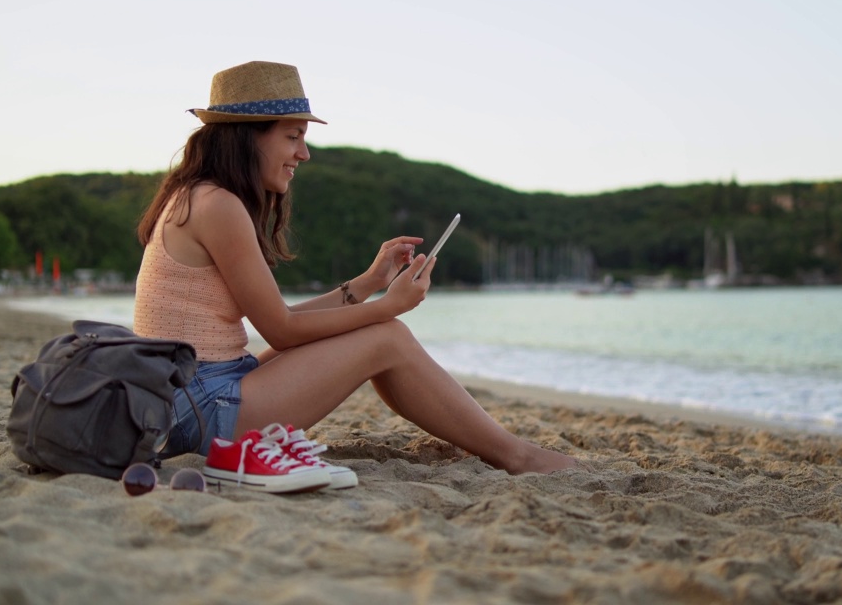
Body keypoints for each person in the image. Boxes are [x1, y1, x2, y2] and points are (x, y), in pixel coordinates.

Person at [133, 61, 578, 477]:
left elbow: (281, 319)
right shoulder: (218, 205)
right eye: (293, 136)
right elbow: (283, 332)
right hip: (199, 408)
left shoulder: (197, 196)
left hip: (190, 395)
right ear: (250, 136)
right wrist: (391, 308)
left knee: (374, 334)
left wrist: (367, 285)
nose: (303, 154)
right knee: (387, 337)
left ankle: (509, 448)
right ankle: (516, 455)